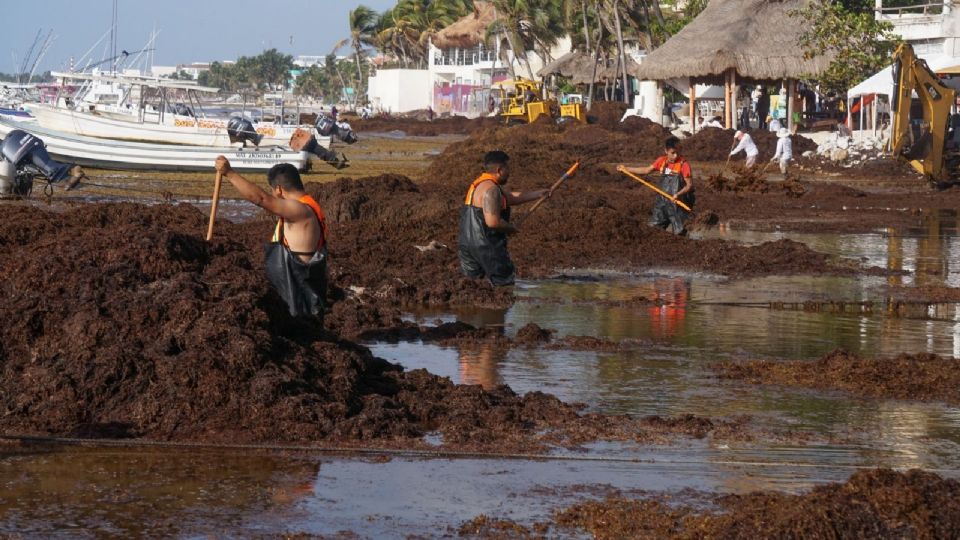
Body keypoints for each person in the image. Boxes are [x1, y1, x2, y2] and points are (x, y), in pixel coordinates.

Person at [214, 157, 329, 320]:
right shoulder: (307, 206)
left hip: (299, 298)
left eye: (274, 192)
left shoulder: (301, 209)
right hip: (299, 292)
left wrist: (230, 173)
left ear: (279, 190)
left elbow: (261, 199)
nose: (275, 196)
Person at [458, 150, 553, 286]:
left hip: (466, 245)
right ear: (499, 170)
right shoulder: (492, 190)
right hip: (487, 246)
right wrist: (511, 229)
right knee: (504, 285)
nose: (509, 172)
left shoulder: (479, 185)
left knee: (471, 287)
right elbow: (493, 222)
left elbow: (509, 198)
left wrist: (538, 194)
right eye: (507, 168)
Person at [618, 136, 694, 235]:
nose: (676, 156)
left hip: (677, 203)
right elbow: (646, 170)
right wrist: (626, 169)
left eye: (678, 152)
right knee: (653, 229)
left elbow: (689, 185)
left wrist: (678, 194)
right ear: (666, 151)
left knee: (680, 232)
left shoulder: (684, 165)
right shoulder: (661, 161)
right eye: (673, 153)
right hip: (662, 201)